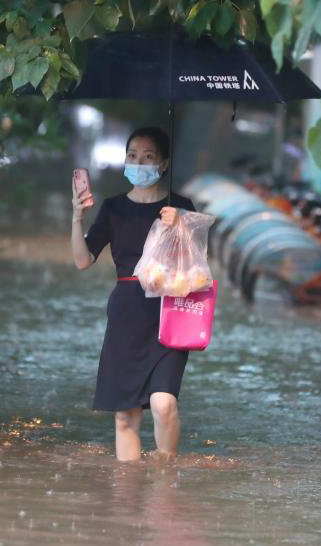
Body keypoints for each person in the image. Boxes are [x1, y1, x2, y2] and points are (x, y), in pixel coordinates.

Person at [70, 126, 197, 462]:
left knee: (163, 402)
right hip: (126, 314)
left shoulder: (180, 207)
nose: (139, 162)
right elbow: (83, 260)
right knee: (125, 414)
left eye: (149, 156)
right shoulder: (113, 208)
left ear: (165, 164)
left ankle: (165, 480)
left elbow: (200, 266)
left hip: (169, 313)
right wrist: (76, 217)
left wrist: (181, 224)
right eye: (132, 156)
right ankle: (127, 497)